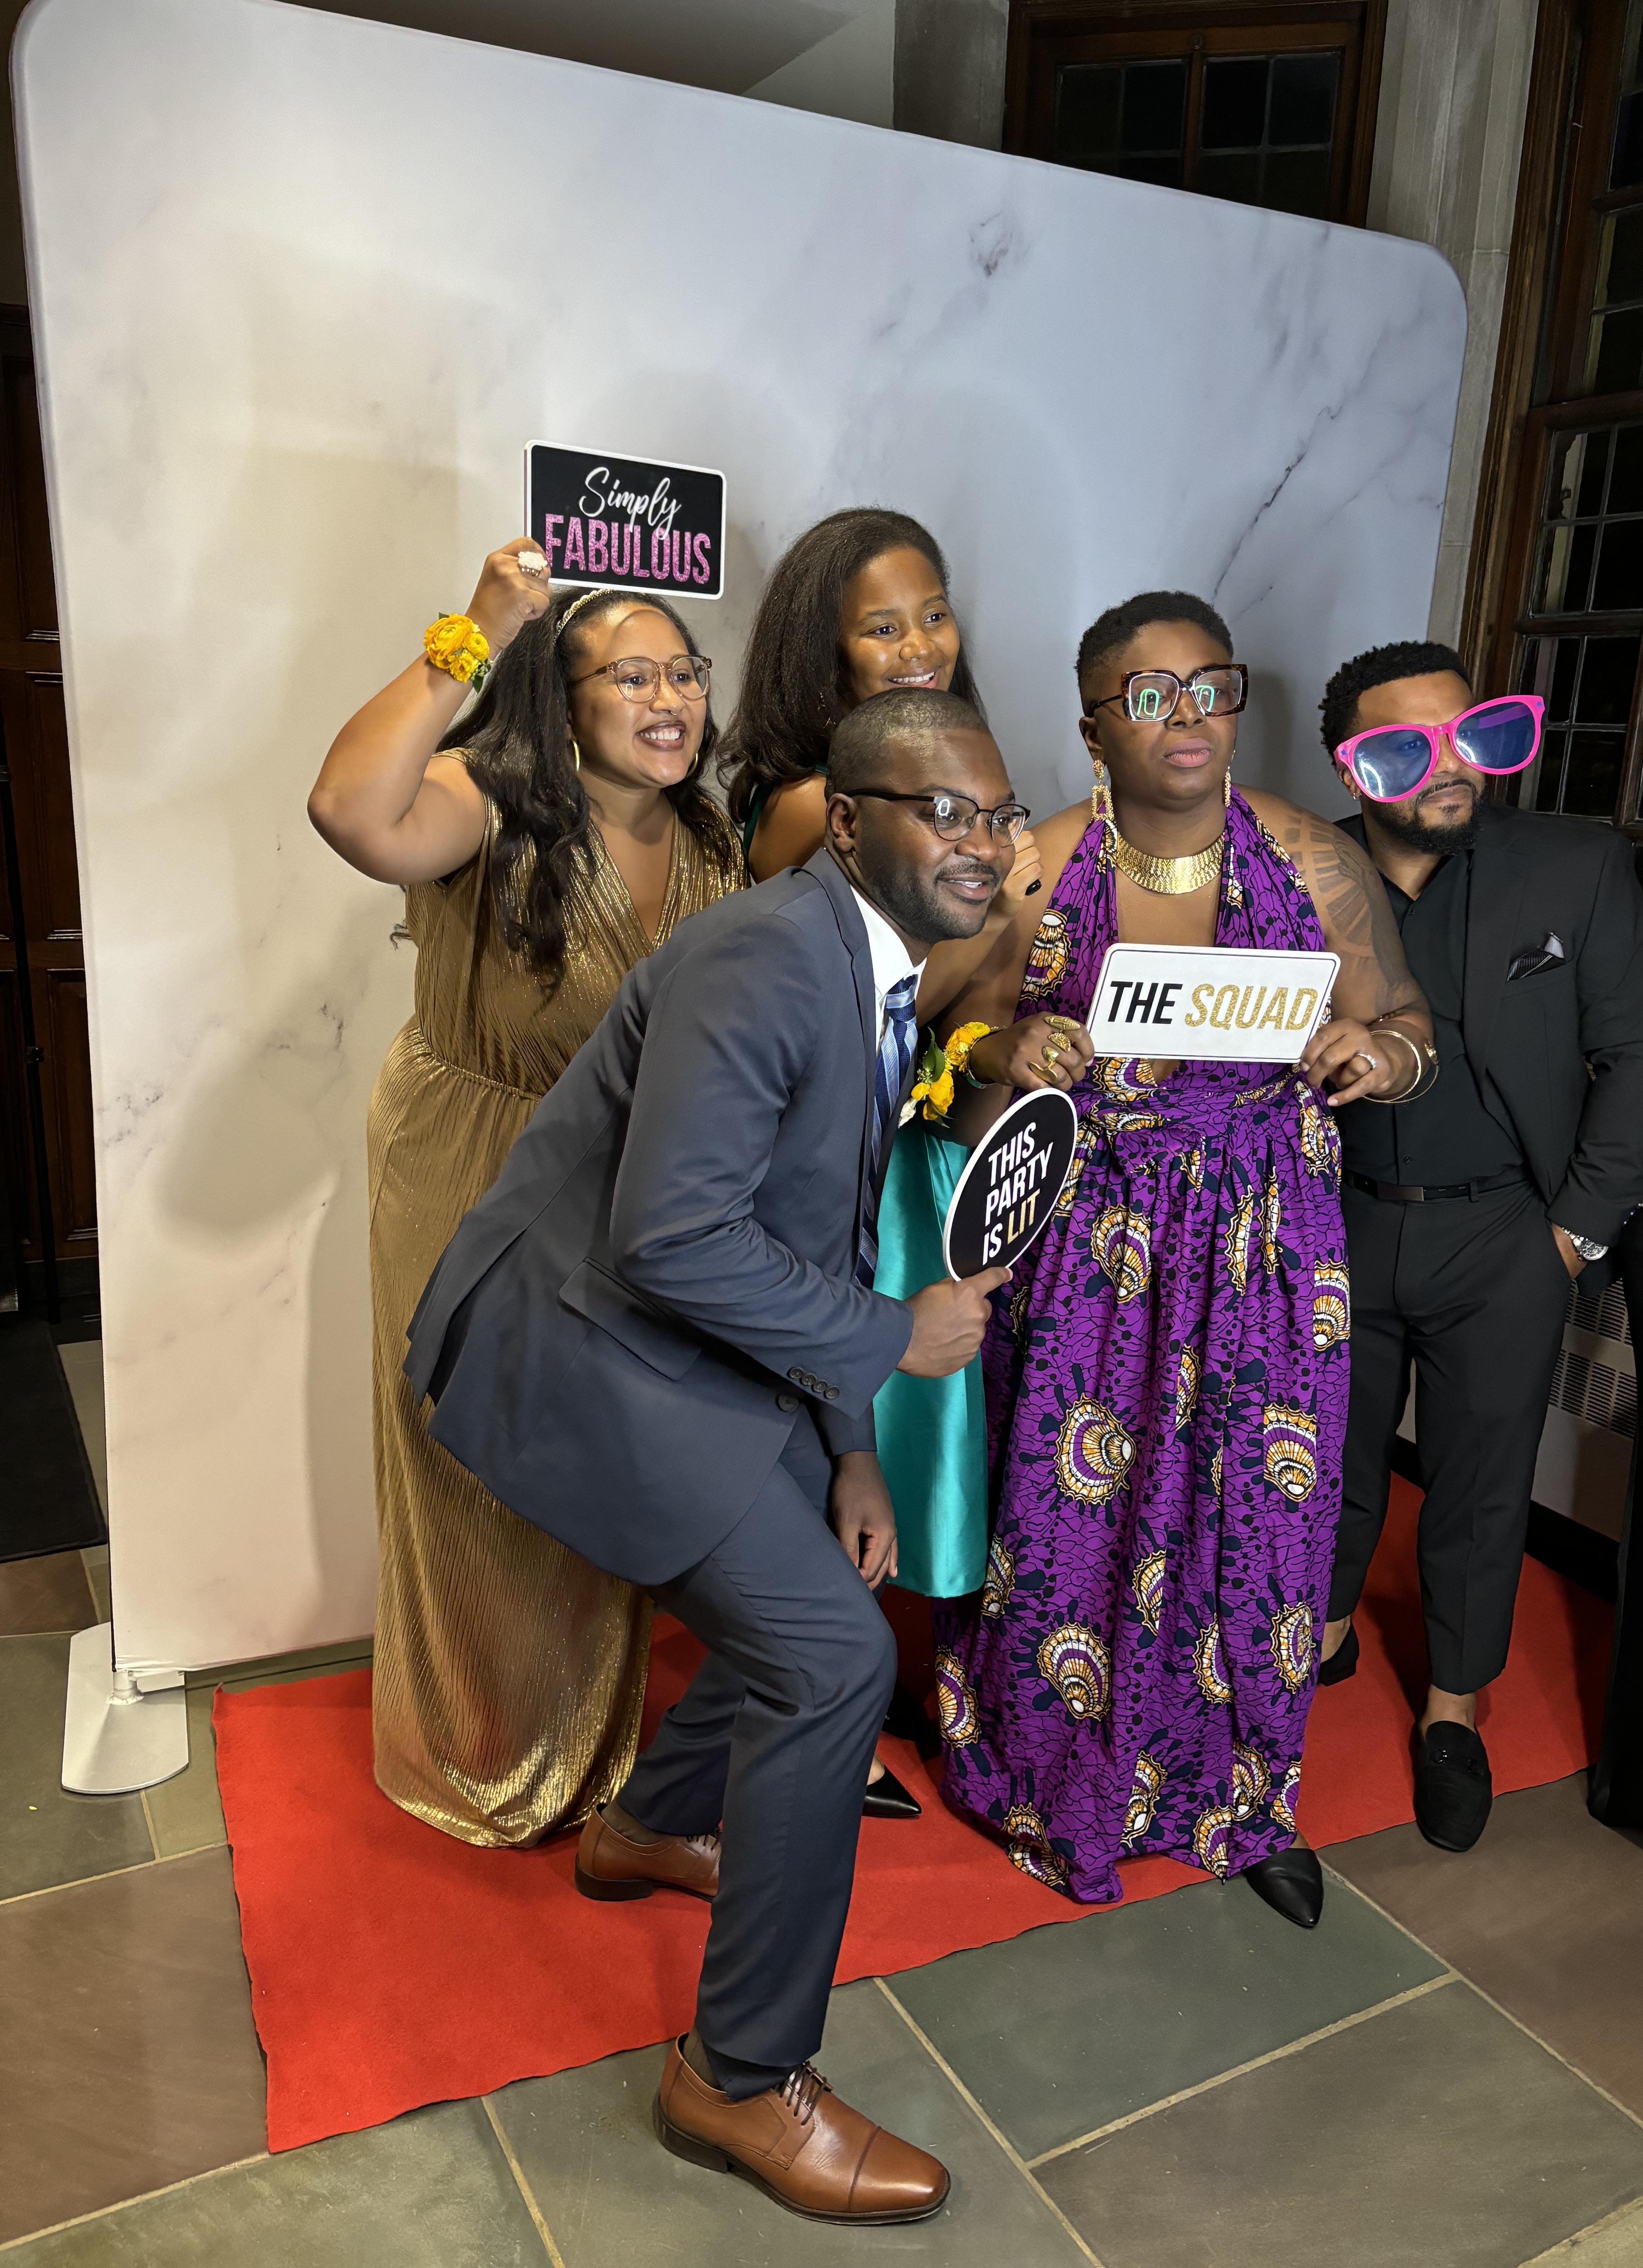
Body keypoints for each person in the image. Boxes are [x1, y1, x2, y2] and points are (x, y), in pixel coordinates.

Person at [403, 687, 1017, 2223]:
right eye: (945, 812)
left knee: (828, 1565)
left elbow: (805, 1225)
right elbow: (673, 1238)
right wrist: (892, 1340)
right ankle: (736, 2079)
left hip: (689, 1349)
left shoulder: (870, 964)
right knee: (830, 1660)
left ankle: (651, 1827)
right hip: (585, 1348)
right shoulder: (768, 954)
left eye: (1001, 816)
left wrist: (853, 1451)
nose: (985, 844)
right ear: (850, 821)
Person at [933, 592, 1433, 1926]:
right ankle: (1052, 1775)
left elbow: (1403, 1019)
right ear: (1092, 723)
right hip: (1090, 1249)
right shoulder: (1034, 870)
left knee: (1259, 1521)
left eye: (1211, 685)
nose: (1189, 716)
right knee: (1070, 1519)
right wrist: (1005, 1052)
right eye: (1149, 695)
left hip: (1270, 1245)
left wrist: (1381, 1055)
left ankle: (1241, 1796)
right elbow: (949, 1048)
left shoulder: (1310, 858)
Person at [307, 540, 743, 1846]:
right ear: (561, 696)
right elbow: (349, 810)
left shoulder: (709, 833)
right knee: (475, 1454)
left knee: (593, 1457)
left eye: (684, 672)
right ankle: (481, 1749)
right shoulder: (487, 803)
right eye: (630, 677)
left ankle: (589, 1739)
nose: (668, 699)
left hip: (628, 1186)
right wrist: (477, 629)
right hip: (473, 1164)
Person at [1315, 640, 1643, 1851]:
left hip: (1506, 1235)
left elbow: (1642, 1055)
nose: (1448, 766)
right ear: (1354, 766)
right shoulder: (1298, 872)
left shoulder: (1572, 867)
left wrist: (1573, 1233)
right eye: (1405, 745)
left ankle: (1452, 1708)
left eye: (1468, 734)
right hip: (1332, 1223)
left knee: (1479, 1485)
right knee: (1326, 1460)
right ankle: (1321, 1631)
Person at [723, 508, 1056, 1655]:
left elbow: (953, 1016)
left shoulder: (953, 788)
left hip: (915, 1147)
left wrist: (1002, 1044)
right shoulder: (809, 804)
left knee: (908, 1428)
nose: (920, 645)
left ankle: (886, 1666)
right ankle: (814, 1674)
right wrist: (1007, 895)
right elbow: (892, 986)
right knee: (828, 1418)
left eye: (935, 613)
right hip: (823, 1158)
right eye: (881, 627)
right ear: (824, 650)